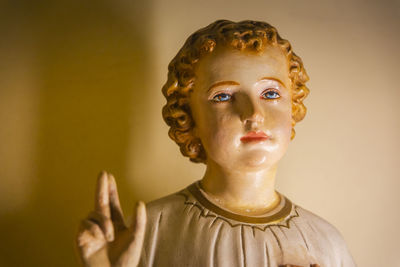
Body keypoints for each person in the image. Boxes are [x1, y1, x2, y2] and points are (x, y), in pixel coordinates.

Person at [76, 20, 356, 267]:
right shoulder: (150, 231)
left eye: (270, 93)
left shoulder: (325, 242)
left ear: (292, 108)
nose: (254, 114)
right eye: (223, 96)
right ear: (189, 116)